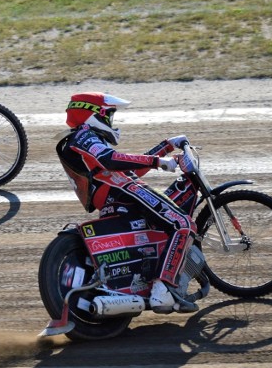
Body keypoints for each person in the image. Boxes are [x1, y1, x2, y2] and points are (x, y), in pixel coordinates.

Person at [56, 92, 198, 313]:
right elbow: (110, 160)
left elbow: (130, 167)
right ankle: (163, 289)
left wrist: (167, 145)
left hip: (116, 198)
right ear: (94, 114)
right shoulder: (85, 136)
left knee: (164, 227)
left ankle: (149, 282)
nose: (112, 122)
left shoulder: (84, 138)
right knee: (183, 224)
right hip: (124, 190)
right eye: (109, 115)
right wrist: (158, 161)